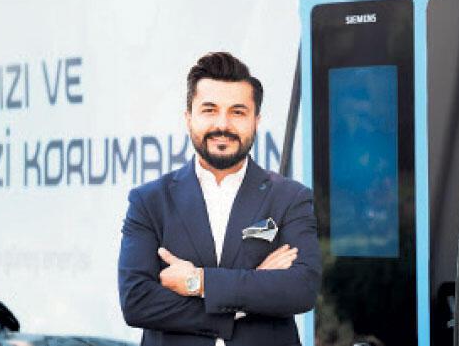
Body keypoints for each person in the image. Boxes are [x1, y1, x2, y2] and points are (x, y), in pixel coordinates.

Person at [117, 52, 321, 346]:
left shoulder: (290, 197)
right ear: (189, 118)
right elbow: (137, 301)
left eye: (238, 112)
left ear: (256, 121)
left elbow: (301, 289)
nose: (223, 124)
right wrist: (243, 301)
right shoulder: (149, 201)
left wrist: (197, 282)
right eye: (209, 110)